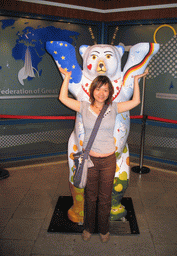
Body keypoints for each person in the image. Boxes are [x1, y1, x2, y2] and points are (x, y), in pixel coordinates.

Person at [58, 67, 148, 243]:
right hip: (90, 160)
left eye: (105, 89)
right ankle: (88, 228)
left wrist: (136, 80)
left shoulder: (114, 108)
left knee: (105, 198)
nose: (101, 93)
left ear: (109, 93)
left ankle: (104, 230)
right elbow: (62, 98)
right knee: (90, 196)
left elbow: (136, 101)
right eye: (98, 88)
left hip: (108, 160)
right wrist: (67, 78)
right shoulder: (83, 107)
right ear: (93, 90)